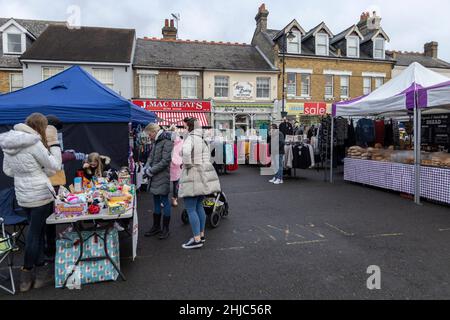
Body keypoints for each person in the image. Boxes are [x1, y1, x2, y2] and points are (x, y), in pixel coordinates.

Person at [0, 113, 62, 292]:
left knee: (38, 231)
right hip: (39, 194)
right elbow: (55, 165)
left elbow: (8, 170)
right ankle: (26, 274)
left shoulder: (9, 143)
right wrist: (54, 143)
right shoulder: (34, 143)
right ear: (41, 127)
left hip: (23, 194)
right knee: (35, 234)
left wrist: (27, 173)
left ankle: (41, 272)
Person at [179, 117, 221, 249]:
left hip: (192, 175)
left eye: (185, 126)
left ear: (189, 127)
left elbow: (185, 152)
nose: (184, 128)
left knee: (191, 208)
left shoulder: (190, 138)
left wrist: (188, 164)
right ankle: (201, 235)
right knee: (199, 206)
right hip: (202, 176)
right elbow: (207, 158)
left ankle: (196, 240)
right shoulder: (202, 139)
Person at [143, 123, 173, 239]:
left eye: (149, 134)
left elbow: (165, 161)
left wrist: (150, 171)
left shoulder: (167, 140)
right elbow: (151, 157)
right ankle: (156, 227)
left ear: (154, 132)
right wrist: (146, 167)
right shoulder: (157, 141)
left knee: (164, 201)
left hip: (162, 175)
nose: (148, 136)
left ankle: (166, 229)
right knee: (155, 200)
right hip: (154, 175)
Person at [168, 125, 183, 207]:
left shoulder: (167, 141)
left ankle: (164, 200)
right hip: (177, 163)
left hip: (167, 163)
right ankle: (174, 199)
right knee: (176, 183)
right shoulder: (181, 141)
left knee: (165, 183)